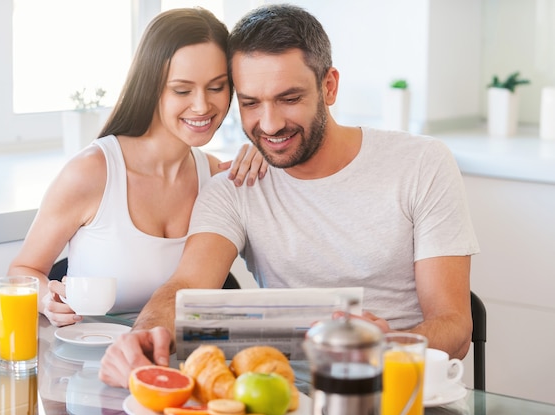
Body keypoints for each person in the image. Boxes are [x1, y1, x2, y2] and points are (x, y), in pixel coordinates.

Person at [99, 4, 480, 388]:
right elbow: (184, 288)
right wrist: (144, 334)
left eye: (289, 98)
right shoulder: (234, 188)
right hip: (287, 395)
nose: (270, 124)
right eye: (250, 103)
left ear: (328, 87)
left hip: (405, 389)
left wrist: (380, 347)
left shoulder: (420, 164)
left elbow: (454, 327)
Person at [7, 8, 267, 328]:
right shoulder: (92, 173)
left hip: (174, 363)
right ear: (152, 87)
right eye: (182, 90)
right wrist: (48, 299)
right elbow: (22, 272)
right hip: (90, 361)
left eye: (216, 87)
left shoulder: (216, 176)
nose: (202, 105)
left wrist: (268, 158)